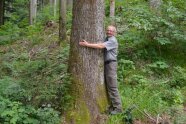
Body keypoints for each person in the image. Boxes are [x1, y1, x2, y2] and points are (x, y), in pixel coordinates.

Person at [79, 25, 122, 115]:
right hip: (107, 64)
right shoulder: (107, 39)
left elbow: (100, 46)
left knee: (112, 86)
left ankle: (118, 108)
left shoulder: (113, 40)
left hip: (111, 64)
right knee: (108, 87)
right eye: (108, 30)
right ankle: (112, 106)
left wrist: (87, 44)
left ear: (114, 32)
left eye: (111, 31)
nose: (109, 32)